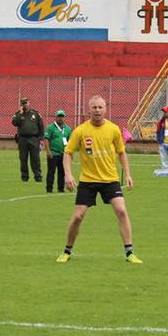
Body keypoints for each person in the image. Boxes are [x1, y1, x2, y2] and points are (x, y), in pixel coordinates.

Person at [56, 95, 141, 264]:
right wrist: (68, 174)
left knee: (122, 211)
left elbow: (121, 152)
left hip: (110, 180)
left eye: (100, 107)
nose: (97, 110)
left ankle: (130, 252)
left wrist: (128, 174)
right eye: (94, 107)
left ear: (105, 109)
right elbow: (68, 154)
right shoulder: (80, 130)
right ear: (89, 110)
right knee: (78, 216)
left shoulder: (113, 129)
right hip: (88, 181)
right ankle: (66, 251)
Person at [11, 97, 44, 182]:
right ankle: (24, 177)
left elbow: (41, 126)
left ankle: (38, 176)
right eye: (22, 103)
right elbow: (14, 123)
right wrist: (20, 113)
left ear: (29, 103)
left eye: (26, 103)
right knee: (23, 158)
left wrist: (41, 138)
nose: (24, 104)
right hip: (22, 139)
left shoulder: (35, 114)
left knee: (35, 159)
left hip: (33, 139)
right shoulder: (18, 114)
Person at [43, 109, 71, 193]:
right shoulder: (51, 127)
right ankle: (49, 189)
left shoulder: (68, 128)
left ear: (64, 117)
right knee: (51, 172)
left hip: (63, 154)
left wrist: (69, 154)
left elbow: (70, 141)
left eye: (62, 116)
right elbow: (46, 139)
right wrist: (48, 151)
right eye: (59, 116)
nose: (60, 118)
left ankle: (61, 189)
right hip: (53, 153)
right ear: (55, 117)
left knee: (62, 172)